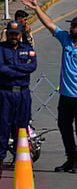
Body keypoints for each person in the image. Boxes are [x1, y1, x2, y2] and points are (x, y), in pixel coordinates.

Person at [21, 0, 77, 174]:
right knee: (64, 127)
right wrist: (36, 8)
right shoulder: (65, 39)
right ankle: (70, 159)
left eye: (74, 26)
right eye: (70, 26)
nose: (70, 28)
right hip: (65, 95)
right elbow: (50, 24)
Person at [0, 21, 37, 178]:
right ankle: (0, 162)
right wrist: (20, 71)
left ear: (21, 34)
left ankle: (23, 163)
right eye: (10, 33)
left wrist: (12, 70)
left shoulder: (27, 49)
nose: (13, 36)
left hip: (22, 94)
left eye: (16, 34)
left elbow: (32, 66)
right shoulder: (1, 49)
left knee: (22, 129)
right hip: (5, 94)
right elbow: (1, 68)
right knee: (2, 129)